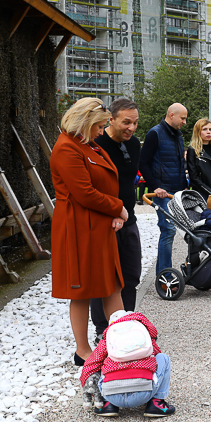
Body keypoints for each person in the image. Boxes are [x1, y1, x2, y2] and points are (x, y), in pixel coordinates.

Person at [50, 98, 127, 365]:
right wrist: (118, 208)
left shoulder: (85, 144)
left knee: (111, 284)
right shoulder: (67, 148)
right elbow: (84, 193)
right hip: (79, 226)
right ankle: (82, 351)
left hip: (96, 224)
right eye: (99, 125)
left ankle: (122, 343)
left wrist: (114, 212)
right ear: (85, 122)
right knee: (81, 289)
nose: (102, 130)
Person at [91, 98, 142, 342]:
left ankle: (127, 322)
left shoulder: (134, 145)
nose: (131, 128)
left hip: (128, 220)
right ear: (110, 120)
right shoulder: (96, 145)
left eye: (135, 123)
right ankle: (103, 329)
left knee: (131, 274)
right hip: (105, 222)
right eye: (126, 123)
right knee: (104, 278)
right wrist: (112, 211)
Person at [80, 310, 175, 418]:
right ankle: (157, 402)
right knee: (163, 358)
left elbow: (90, 364)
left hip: (111, 394)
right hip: (144, 393)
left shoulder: (107, 341)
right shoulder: (144, 336)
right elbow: (157, 354)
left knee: (102, 362)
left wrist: (88, 388)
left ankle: (107, 404)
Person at [140, 103, 188, 276]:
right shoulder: (155, 133)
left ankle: (163, 272)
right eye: (182, 118)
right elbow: (143, 162)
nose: (184, 122)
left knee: (177, 231)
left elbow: (178, 164)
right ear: (171, 114)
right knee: (168, 230)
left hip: (177, 191)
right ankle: (165, 276)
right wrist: (155, 186)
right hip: (162, 191)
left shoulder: (178, 135)